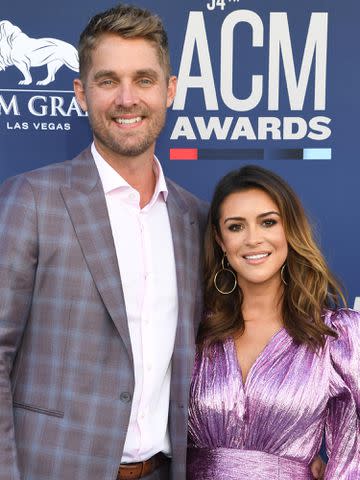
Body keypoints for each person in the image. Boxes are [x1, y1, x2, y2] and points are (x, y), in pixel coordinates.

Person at [0, 4, 208, 480]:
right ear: (81, 92)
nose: (127, 98)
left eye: (144, 80)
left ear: (170, 90)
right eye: (108, 80)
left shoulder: (192, 218)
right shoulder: (31, 200)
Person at [187, 165, 360, 479]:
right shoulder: (191, 330)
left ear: (289, 230)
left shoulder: (335, 337)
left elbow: (353, 455)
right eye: (236, 227)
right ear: (220, 239)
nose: (253, 239)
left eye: (268, 222)